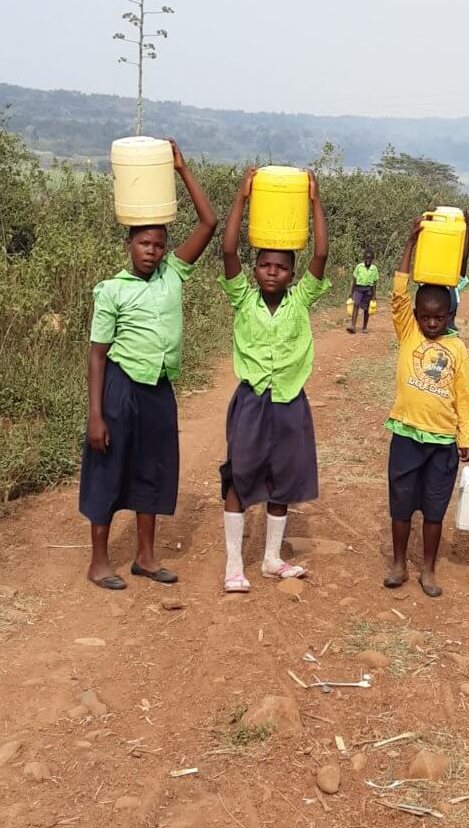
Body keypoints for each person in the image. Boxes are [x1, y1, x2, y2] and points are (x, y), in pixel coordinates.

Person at [79, 140, 218, 590]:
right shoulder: (112, 291)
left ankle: (145, 556)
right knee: (108, 467)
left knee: (153, 467)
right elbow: (97, 354)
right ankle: (99, 562)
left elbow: (209, 222)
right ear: (129, 244)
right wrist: (96, 414)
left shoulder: (174, 272)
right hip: (120, 388)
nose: (152, 251)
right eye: (144, 243)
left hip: (159, 388)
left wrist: (181, 169)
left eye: (159, 244)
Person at [218, 166, 329, 593]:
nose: (271, 272)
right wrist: (242, 198)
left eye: (280, 267)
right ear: (254, 268)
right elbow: (228, 249)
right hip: (251, 401)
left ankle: (270, 558)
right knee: (240, 476)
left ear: (291, 273)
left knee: (283, 479)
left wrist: (313, 201)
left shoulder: (301, 301)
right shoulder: (241, 298)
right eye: (263, 265)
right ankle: (233, 565)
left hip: (289, 401)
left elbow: (320, 255)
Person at [384, 218, 469, 598]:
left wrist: (465, 438)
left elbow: (464, 398)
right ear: (416, 316)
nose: (432, 322)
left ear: (450, 315)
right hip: (406, 433)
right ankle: (399, 563)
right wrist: (410, 242)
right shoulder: (408, 331)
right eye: (426, 316)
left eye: (440, 317)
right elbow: (400, 293)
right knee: (401, 505)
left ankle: (430, 569)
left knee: (435, 509)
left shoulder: (457, 349)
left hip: (442, 441)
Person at [447, 209, 469, 331]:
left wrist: (466, 226)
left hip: (449, 339)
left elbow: (464, 256)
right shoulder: (426, 279)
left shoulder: (453, 280)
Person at [348, 248, 378, 334]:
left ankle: (364, 327)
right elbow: (354, 280)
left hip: (368, 290)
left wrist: (374, 295)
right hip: (358, 289)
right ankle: (353, 326)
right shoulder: (359, 267)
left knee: (366, 308)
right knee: (356, 305)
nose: (368, 260)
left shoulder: (374, 268)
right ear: (364, 258)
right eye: (366, 258)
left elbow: (375, 282)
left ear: (372, 259)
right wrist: (351, 292)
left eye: (370, 258)